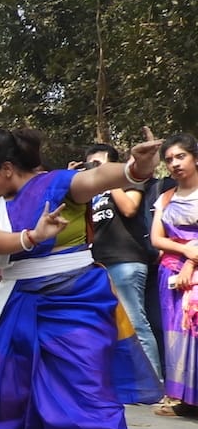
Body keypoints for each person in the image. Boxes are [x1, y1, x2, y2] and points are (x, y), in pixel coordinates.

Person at [0, 127, 162, 429]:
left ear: (6, 168)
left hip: (79, 302)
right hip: (21, 303)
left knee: (91, 390)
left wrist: (136, 168)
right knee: (11, 392)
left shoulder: (60, 184)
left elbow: (99, 178)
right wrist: (32, 236)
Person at [81, 144, 163, 381]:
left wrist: (108, 178)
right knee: (106, 324)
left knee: (135, 321)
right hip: (98, 262)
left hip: (126, 259)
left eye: (99, 164)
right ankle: (122, 379)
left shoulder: (128, 180)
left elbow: (129, 208)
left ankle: (152, 380)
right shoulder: (90, 190)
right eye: (91, 164)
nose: (95, 169)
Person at [150, 133, 198, 418]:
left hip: (192, 273)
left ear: (195, 158)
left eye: (181, 156)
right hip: (169, 272)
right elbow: (157, 238)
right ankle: (182, 398)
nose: (175, 163)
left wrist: (191, 263)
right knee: (175, 334)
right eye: (169, 159)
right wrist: (186, 254)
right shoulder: (166, 197)